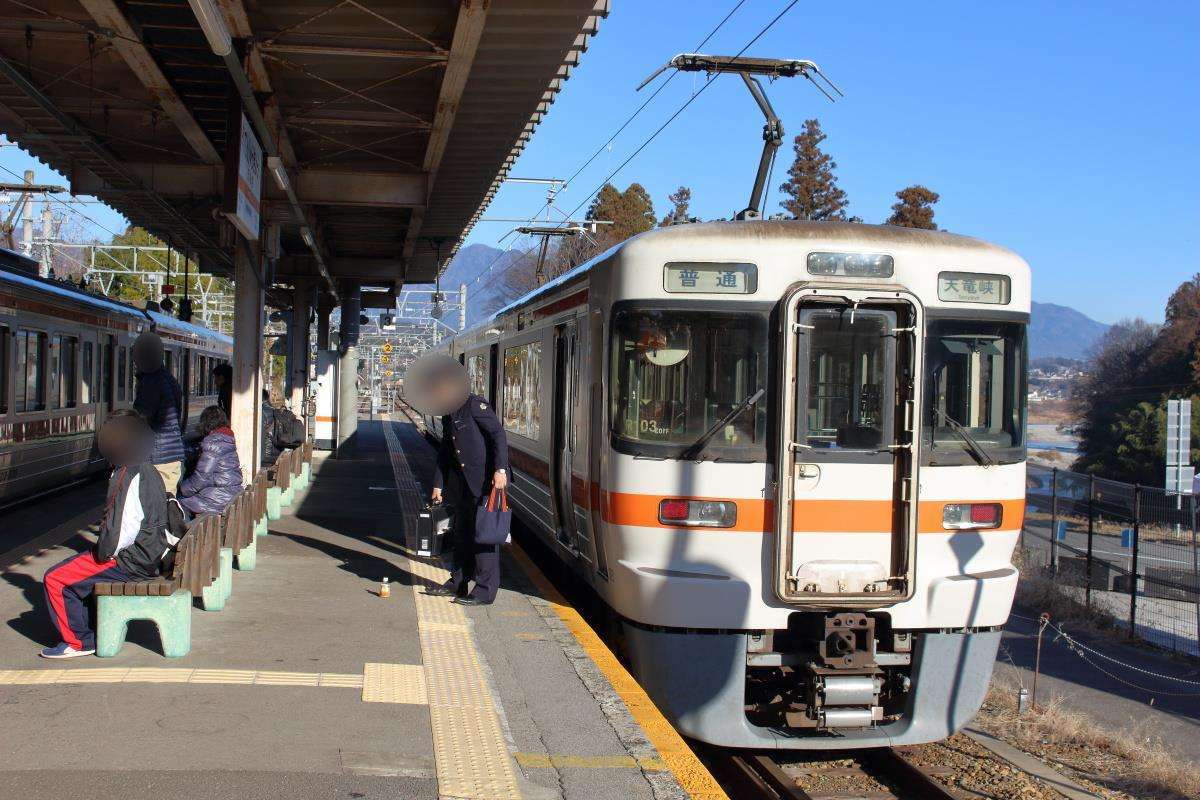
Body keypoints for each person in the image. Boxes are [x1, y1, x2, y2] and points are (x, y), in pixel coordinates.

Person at [40, 410, 173, 658]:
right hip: (148, 555)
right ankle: (85, 630)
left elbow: (123, 530)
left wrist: (103, 554)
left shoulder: (128, 473)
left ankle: (79, 642)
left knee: (56, 578)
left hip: (130, 560)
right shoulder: (148, 469)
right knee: (75, 571)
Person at [426, 377, 509, 606]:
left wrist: (500, 470)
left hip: (487, 482)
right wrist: (438, 484)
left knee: (484, 536)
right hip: (464, 483)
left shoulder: (474, 405)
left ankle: (484, 591)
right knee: (462, 534)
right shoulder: (449, 414)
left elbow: (498, 435)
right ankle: (458, 582)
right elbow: (446, 450)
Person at [132, 331, 186, 494]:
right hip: (171, 453)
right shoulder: (168, 379)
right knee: (167, 502)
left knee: (157, 507)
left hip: (158, 456)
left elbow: (142, 420)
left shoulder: (151, 383)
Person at [178, 405, 242, 519]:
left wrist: (182, 488)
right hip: (231, 495)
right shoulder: (227, 439)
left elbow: (200, 479)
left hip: (217, 501)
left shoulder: (212, 443)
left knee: (180, 502)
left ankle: (185, 535)